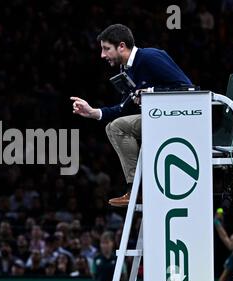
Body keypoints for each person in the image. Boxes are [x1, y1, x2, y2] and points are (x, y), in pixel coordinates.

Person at [71, 24, 193, 207]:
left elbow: (188, 89)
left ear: (121, 46)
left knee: (117, 127)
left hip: (180, 119)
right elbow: (123, 108)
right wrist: (93, 112)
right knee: (114, 127)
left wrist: (151, 92)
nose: (102, 55)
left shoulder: (150, 57)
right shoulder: (126, 69)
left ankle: (138, 188)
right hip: (159, 119)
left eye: (106, 49)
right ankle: (137, 189)